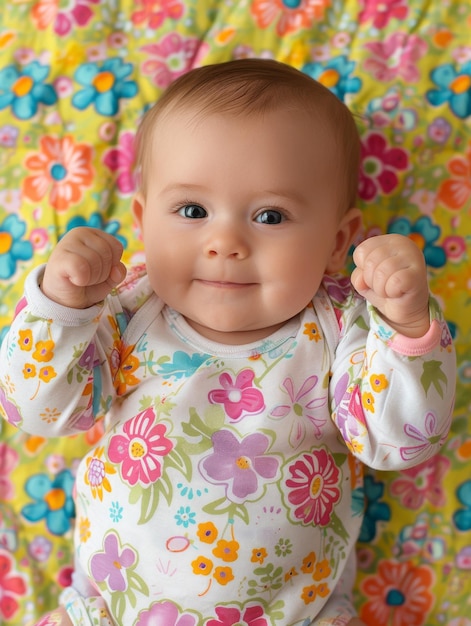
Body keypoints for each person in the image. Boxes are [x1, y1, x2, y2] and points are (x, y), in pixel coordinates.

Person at [0, 59, 455, 626]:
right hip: (111, 612)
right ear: (143, 221)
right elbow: (37, 410)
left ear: (339, 242)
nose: (226, 242)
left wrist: (407, 326)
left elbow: (401, 444)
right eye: (192, 210)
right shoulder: (126, 312)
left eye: (270, 215)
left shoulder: (345, 330)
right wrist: (61, 307)